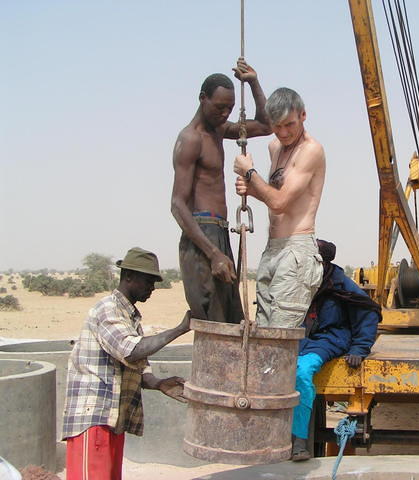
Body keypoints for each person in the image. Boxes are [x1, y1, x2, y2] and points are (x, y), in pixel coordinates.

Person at [62, 247, 192, 480]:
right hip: (94, 418)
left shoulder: (129, 316)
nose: (152, 288)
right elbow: (131, 352)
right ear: (128, 276)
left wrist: (158, 383)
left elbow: (137, 366)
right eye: (148, 281)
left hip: (112, 418)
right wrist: (180, 329)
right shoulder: (108, 309)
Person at [171, 59, 271, 323]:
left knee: (230, 319)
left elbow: (266, 124)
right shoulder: (190, 139)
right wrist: (213, 253)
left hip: (219, 232)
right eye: (219, 107)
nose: (225, 114)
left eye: (229, 108)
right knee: (214, 322)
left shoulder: (219, 130)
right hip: (202, 235)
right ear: (202, 99)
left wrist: (253, 81)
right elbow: (177, 205)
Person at [234, 87, 325, 328]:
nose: (283, 132)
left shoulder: (310, 150)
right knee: (263, 333)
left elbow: (279, 202)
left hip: (296, 250)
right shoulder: (274, 147)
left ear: (303, 115)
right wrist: (250, 189)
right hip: (272, 249)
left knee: (279, 336)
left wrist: (250, 173)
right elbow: (273, 192)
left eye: (289, 124)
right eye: (277, 126)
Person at [290, 239, 381, 461]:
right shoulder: (296, 281)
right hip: (297, 338)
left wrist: (359, 348)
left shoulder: (339, 284)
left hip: (327, 339)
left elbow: (367, 312)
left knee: (301, 373)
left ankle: (299, 442)